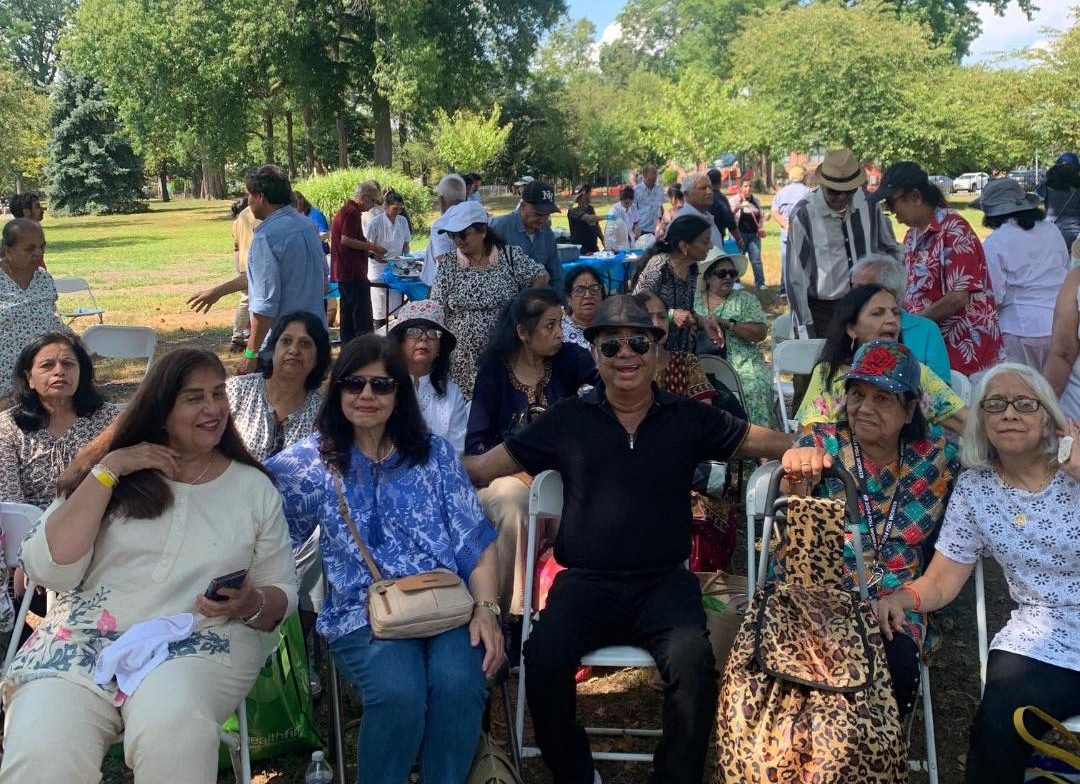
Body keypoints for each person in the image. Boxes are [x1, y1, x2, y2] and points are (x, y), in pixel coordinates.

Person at [463, 294, 797, 784]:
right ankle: (576, 772)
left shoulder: (687, 417)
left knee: (693, 664)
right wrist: (413, 456)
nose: (626, 354)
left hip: (663, 583)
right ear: (594, 354)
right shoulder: (567, 419)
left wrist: (807, 446)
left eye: (639, 342)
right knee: (543, 657)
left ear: (657, 353)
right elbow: (484, 467)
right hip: (585, 583)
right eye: (611, 343)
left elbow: (758, 439)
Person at [0, 348, 298, 783]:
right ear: (160, 408)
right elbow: (49, 567)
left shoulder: (252, 489)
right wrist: (110, 470)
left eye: (218, 394)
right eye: (194, 397)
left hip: (196, 641)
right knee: (42, 746)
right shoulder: (110, 473)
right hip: (82, 640)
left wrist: (250, 602)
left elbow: (282, 594)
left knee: (173, 731)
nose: (213, 408)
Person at [266, 335, 504, 784]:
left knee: (459, 684)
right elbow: (251, 502)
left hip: (447, 606)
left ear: (401, 392)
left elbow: (476, 542)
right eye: (354, 384)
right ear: (336, 391)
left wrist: (488, 610)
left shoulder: (434, 456)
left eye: (382, 385)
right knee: (399, 693)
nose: (367, 396)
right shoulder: (314, 461)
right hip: (363, 614)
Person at [873, 363, 1080, 782]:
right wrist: (900, 599)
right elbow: (943, 580)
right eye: (995, 405)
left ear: (1047, 419)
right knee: (998, 724)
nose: (1009, 414)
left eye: (1025, 404)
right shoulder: (976, 489)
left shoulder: (1075, 470)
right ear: (981, 422)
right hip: (1042, 635)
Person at [782, 339, 960, 718]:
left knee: (895, 664)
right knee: (806, 668)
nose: (864, 408)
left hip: (897, 599)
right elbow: (788, 495)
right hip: (822, 594)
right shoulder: (823, 443)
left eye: (883, 399)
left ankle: (877, 751)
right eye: (857, 394)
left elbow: (998, 463)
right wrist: (796, 467)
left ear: (910, 409)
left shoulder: (936, 458)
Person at [466, 289, 596, 617]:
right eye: (550, 326)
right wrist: (516, 471)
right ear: (523, 333)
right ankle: (510, 613)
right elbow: (477, 445)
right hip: (503, 476)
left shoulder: (571, 360)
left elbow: (600, 395)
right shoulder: (494, 373)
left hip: (564, 475)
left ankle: (575, 608)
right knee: (513, 502)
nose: (559, 334)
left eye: (561, 325)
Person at [0, 332, 122, 644]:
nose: (59, 371)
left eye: (69, 364)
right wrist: (26, 554)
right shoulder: (8, 428)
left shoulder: (110, 420)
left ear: (82, 374)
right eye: (48, 365)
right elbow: (9, 497)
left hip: (101, 531)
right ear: (29, 378)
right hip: (34, 539)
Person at [872, 161, 1002, 378]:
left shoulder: (954, 230)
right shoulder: (912, 236)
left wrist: (915, 327)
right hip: (930, 345)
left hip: (963, 347)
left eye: (893, 203)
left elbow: (958, 298)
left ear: (915, 197)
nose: (891, 212)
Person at [796, 284, 966, 434]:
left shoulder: (916, 372)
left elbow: (966, 423)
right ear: (852, 329)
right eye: (877, 313)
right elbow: (809, 437)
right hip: (842, 468)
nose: (891, 320)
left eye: (895, 313)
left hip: (910, 468)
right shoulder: (830, 373)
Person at [430, 200, 548, 400]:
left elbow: (540, 275)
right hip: (462, 362)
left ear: (483, 231)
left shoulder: (509, 256)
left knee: (504, 404)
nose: (457, 240)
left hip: (505, 353)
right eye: (452, 236)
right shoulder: (448, 265)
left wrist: (523, 308)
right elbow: (436, 308)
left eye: (463, 234)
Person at [785, 148, 902, 338]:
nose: (841, 198)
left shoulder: (868, 205)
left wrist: (896, 296)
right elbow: (795, 278)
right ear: (822, 185)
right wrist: (804, 331)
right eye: (834, 192)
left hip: (870, 306)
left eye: (849, 192)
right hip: (825, 312)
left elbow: (890, 249)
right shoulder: (804, 214)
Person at [973, 177, 1069, 371]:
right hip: (1061, 323)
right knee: (1057, 392)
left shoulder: (996, 242)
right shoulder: (1052, 230)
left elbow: (995, 294)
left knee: (1027, 391)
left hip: (1020, 328)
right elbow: (1064, 268)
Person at [226, 311, 330, 463]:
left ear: (317, 359)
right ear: (273, 349)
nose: (294, 350)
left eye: (305, 344)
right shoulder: (238, 390)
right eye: (286, 341)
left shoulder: (322, 414)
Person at [695, 250, 774, 426]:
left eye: (732, 273)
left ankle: (757, 443)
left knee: (753, 387)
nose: (728, 277)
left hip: (744, 363)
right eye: (722, 273)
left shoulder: (745, 300)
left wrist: (728, 323)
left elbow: (760, 333)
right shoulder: (694, 301)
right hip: (702, 363)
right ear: (708, 278)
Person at [851, 254, 951, 384]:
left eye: (861, 289)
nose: (852, 294)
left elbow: (942, 390)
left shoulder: (926, 330)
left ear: (890, 293)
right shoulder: (850, 324)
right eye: (852, 286)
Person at [387, 300, 468, 456]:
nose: (423, 338)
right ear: (400, 342)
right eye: (413, 332)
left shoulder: (452, 393)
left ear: (440, 347)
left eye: (432, 333)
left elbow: (456, 452)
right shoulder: (384, 386)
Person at [632, 214, 720, 354]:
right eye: (705, 242)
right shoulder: (659, 265)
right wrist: (672, 315)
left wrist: (704, 322)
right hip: (654, 352)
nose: (710, 246)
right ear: (684, 245)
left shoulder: (692, 268)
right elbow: (636, 306)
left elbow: (686, 310)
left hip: (681, 351)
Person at [0, 219, 67, 399]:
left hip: (40, 382)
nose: (38, 253)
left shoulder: (44, 279)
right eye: (29, 249)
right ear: (8, 250)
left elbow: (51, 319)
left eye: (41, 247)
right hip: (4, 383)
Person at [331, 180, 386, 345]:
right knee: (361, 315)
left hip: (345, 271)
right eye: (372, 202)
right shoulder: (352, 212)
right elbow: (346, 240)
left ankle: (348, 347)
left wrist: (370, 254)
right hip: (352, 272)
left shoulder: (345, 211)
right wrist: (373, 247)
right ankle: (364, 348)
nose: (371, 207)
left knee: (347, 314)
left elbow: (353, 242)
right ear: (364, 197)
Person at [490, 179, 564, 296]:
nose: (543, 219)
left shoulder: (547, 232)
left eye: (547, 214)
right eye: (538, 213)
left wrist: (561, 305)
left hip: (540, 304)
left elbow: (556, 275)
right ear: (523, 206)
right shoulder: (499, 228)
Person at [366, 190, 413, 329]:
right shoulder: (375, 223)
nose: (397, 211)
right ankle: (379, 338)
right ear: (386, 205)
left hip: (397, 267)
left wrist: (405, 256)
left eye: (400, 209)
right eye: (394, 208)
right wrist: (378, 257)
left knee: (398, 306)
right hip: (378, 269)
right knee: (379, 308)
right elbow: (367, 247)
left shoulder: (402, 221)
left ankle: (397, 337)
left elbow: (406, 243)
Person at [770, 165, 810, 299]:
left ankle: (784, 291)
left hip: (786, 234)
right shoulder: (809, 193)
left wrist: (785, 224)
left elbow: (774, 212)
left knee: (786, 263)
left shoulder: (782, 192)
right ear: (803, 177)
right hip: (804, 234)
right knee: (804, 263)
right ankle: (802, 291)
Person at [421, 174, 468, 287]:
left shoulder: (441, 224)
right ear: (465, 197)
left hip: (445, 286)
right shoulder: (473, 217)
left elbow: (444, 261)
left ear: (441, 199)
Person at [676, 172, 733, 251]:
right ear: (687, 193)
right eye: (703, 188)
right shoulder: (684, 222)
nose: (709, 192)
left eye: (710, 188)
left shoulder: (706, 216)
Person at [729, 180, 766, 289]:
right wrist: (738, 207)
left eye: (750, 186)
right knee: (738, 259)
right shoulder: (734, 200)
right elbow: (728, 216)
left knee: (756, 260)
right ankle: (736, 283)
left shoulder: (756, 201)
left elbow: (760, 215)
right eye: (745, 186)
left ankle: (760, 283)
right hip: (739, 235)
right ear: (740, 188)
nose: (748, 188)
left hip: (754, 235)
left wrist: (761, 226)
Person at [1040, 152, 1080, 251]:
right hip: (1076, 237)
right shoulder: (1078, 189)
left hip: (1050, 236)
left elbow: (1033, 203)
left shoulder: (1045, 187)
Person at [561, 265, 605, 350]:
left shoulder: (610, 327)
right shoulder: (559, 332)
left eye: (594, 288)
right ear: (568, 298)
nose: (588, 295)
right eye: (579, 290)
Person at [705, 169, 746, 251]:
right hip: (716, 240)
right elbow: (730, 221)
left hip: (699, 241)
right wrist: (739, 239)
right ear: (720, 182)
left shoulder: (700, 197)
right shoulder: (720, 199)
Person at [566, 184, 603, 255]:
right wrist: (607, 217)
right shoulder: (573, 210)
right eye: (589, 193)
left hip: (593, 249)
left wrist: (603, 240)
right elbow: (589, 218)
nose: (591, 196)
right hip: (580, 251)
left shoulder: (590, 208)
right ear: (584, 194)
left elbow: (596, 226)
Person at [633, 164, 665, 236]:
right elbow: (633, 209)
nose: (655, 175)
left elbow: (660, 206)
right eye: (653, 173)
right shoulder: (636, 190)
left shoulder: (659, 188)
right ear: (645, 175)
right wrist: (635, 227)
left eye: (656, 173)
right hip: (642, 228)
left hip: (656, 228)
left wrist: (662, 222)